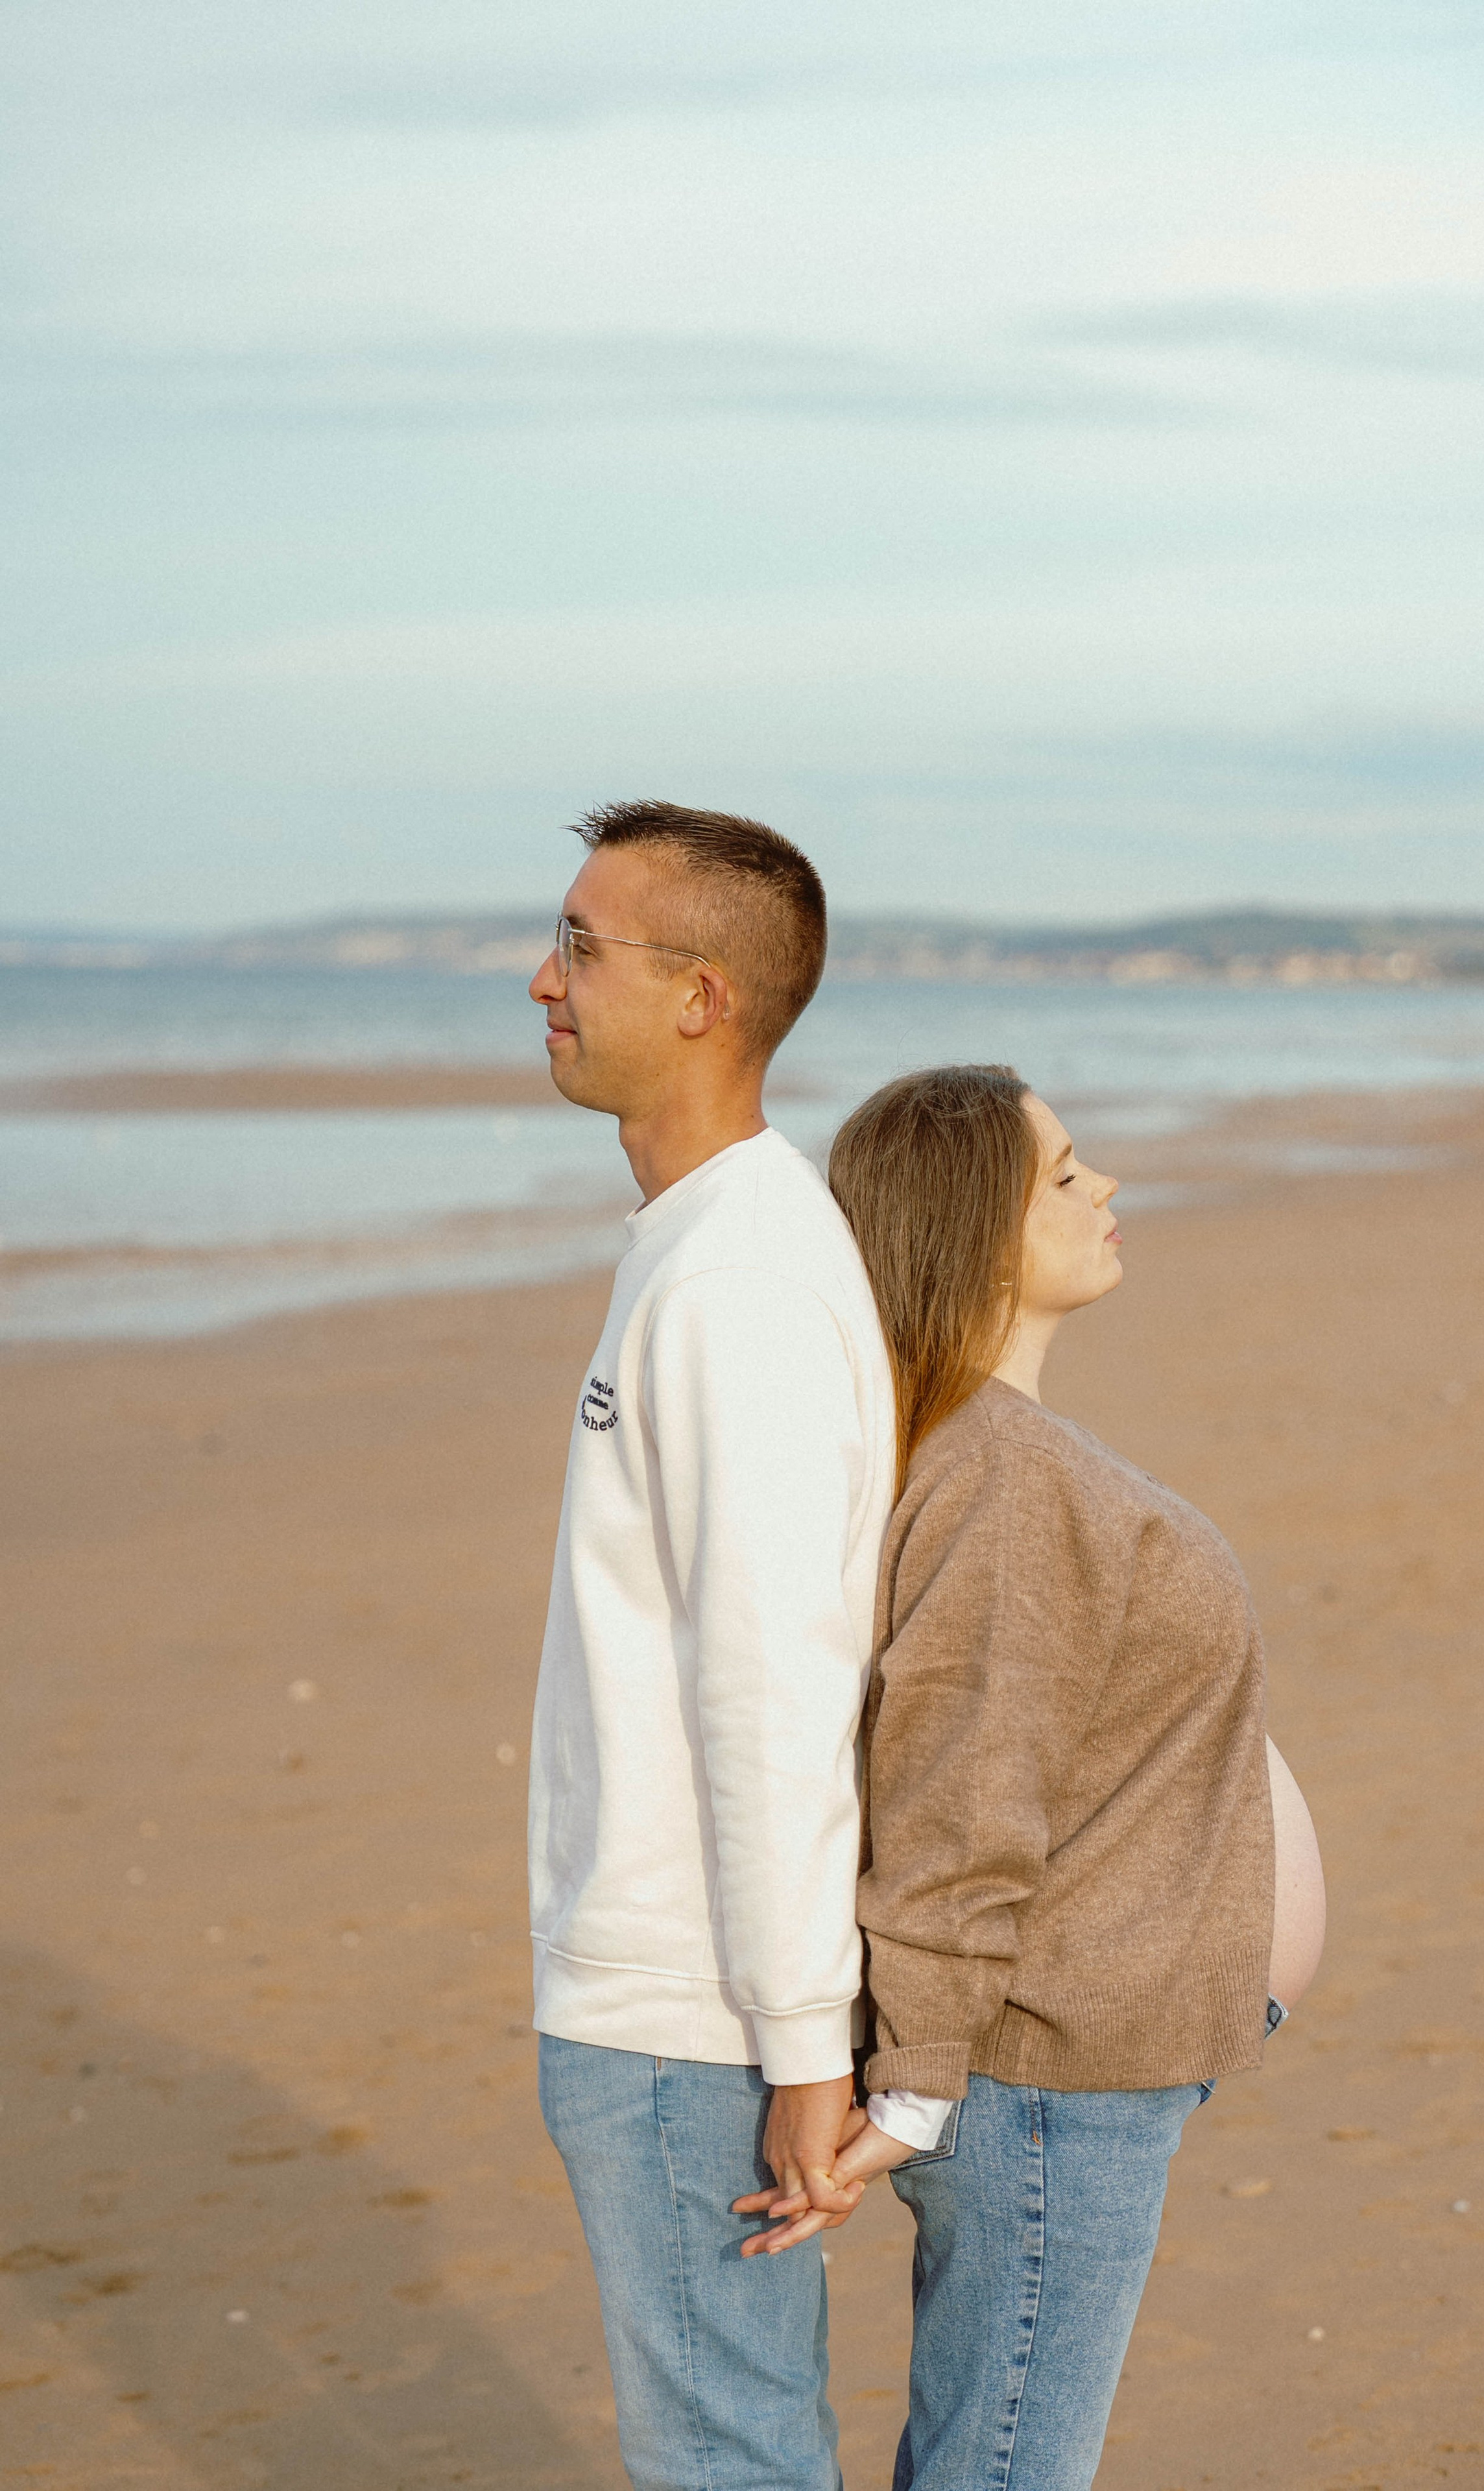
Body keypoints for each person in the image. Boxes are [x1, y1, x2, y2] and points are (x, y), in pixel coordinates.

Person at [740, 1063, 1325, 2491]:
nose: (1104, 1187)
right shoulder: (999, 1476)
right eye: (1061, 1175)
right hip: (1039, 2078)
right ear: (967, 1230)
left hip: (1065, 2065)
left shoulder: (987, 1452)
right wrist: (922, 2085)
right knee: (1008, 2466)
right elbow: (960, 1788)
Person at [525, 801, 895, 2491]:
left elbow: (775, 1680)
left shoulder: (736, 1275)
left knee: (729, 2461)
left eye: (583, 948)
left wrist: (805, 2043)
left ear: (701, 998)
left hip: (689, 2012)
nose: (541, 978)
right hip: (684, 1997)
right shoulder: (699, 1244)